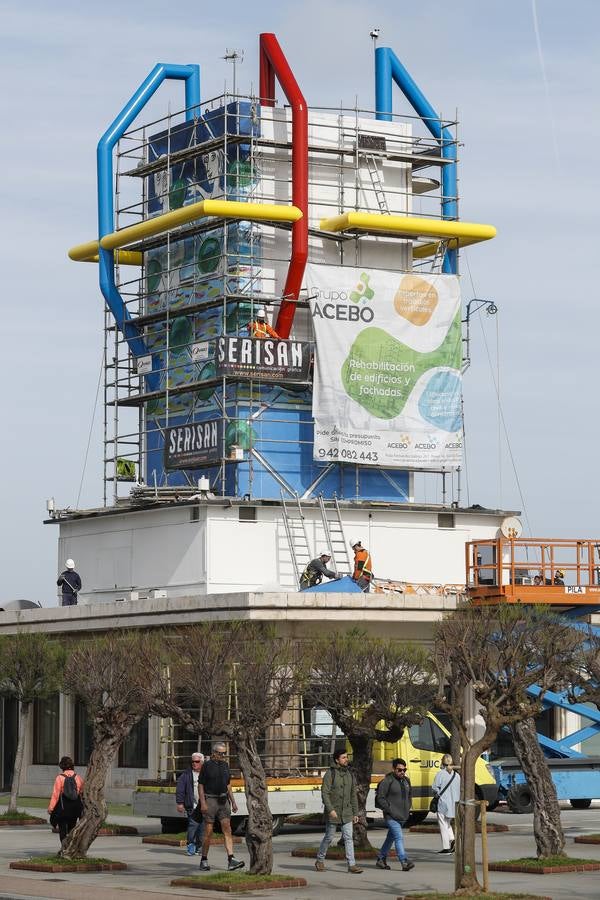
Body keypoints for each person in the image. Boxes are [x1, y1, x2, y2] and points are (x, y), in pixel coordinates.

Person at [198, 742, 244, 871]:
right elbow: (200, 785)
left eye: (225, 753)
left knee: (227, 829)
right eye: (221, 753)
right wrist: (203, 802)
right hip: (210, 800)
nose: (223, 756)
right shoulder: (206, 766)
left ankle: (231, 859)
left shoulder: (225, 765)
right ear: (214, 753)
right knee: (208, 831)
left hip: (224, 801)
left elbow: (228, 785)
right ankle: (204, 859)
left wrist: (233, 801)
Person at [315, 749, 363, 874]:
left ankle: (351, 864)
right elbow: (325, 793)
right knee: (329, 837)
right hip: (334, 812)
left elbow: (353, 794)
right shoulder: (330, 774)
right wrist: (330, 809)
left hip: (347, 812)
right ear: (337, 760)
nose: (346, 759)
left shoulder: (349, 774)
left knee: (348, 838)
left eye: (346, 757)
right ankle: (320, 860)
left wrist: (355, 813)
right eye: (343, 757)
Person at [375, 757, 415, 872]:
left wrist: (407, 808)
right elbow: (380, 797)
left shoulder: (407, 781)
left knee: (390, 838)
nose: (402, 772)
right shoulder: (387, 781)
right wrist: (389, 809)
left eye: (404, 770)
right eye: (399, 770)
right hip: (391, 816)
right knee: (398, 837)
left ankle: (381, 859)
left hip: (402, 816)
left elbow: (409, 796)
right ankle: (404, 861)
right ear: (393, 769)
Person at [48, 756, 84, 845]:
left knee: (62, 830)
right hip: (75, 808)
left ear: (62, 767)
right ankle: (71, 846)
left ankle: (64, 848)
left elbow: (55, 795)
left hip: (63, 808)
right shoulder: (78, 777)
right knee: (72, 828)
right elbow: (82, 792)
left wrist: (51, 808)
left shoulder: (60, 778)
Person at [176, 752, 205, 856]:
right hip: (191, 806)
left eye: (196, 761)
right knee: (193, 826)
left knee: (202, 828)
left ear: (202, 762)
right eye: (192, 761)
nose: (194, 763)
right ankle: (191, 846)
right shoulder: (186, 774)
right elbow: (180, 789)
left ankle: (199, 846)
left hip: (204, 806)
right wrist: (180, 803)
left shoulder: (206, 773)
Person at [431, 753, 460, 854]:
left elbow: (434, 788)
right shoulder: (457, 775)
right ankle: (452, 841)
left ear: (442, 762)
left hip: (443, 803)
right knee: (447, 824)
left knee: (443, 824)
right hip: (454, 804)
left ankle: (446, 847)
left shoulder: (440, 774)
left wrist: (437, 793)